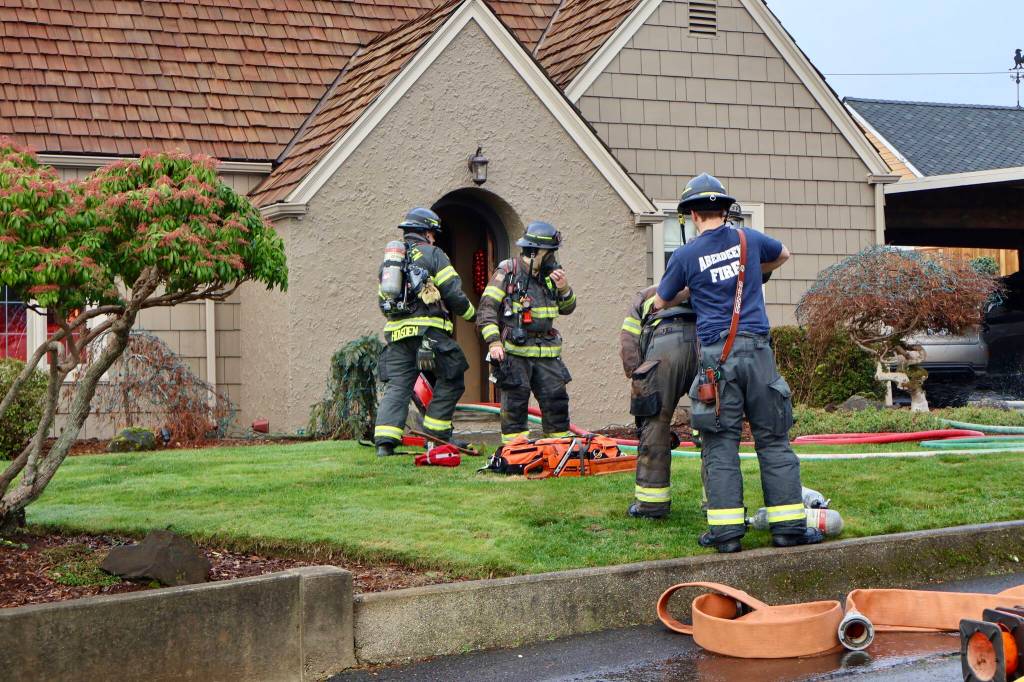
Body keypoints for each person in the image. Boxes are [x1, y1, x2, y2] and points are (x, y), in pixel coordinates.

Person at [655, 173, 823, 553]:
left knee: (719, 444)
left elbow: (663, 300)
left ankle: (726, 535)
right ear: (726, 211)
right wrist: (748, 275)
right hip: (759, 354)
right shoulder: (750, 240)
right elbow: (784, 254)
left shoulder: (685, 256)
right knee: (774, 440)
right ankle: (788, 529)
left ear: (692, 215)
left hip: (717, 360)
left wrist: (692, 289)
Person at [373, 207, 475, 457]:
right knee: (452, 376)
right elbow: (452, 292)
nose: (434, 238)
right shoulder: (434, 254)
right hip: (430, 333)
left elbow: (383, 302)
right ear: (427, 233)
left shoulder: (391, 263)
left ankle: (384, 443)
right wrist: (473, 315)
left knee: (398, 385)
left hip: (397, 336)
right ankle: (437, 435)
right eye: (433, 234)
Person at [477, 221, 576, 443]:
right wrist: (494, 342)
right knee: (515, 406)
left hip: (547, 353)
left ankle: (559, 450)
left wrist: (564, 289)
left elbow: (567, 308)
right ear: (533, 252)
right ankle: (516, 452)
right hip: (516, 353)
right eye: (549, 252)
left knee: (557, 403)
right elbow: (486, 309)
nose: (553, 258)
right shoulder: (508, 271)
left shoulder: (550, 277)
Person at [619, 285, 698, 519]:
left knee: (654, 423)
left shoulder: (648, 294)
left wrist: (636, 372)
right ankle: (717, 505)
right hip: (705, 344)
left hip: (664, 346)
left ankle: (651, 506)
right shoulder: (707, 282)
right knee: (713, 428)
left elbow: (628, 337)